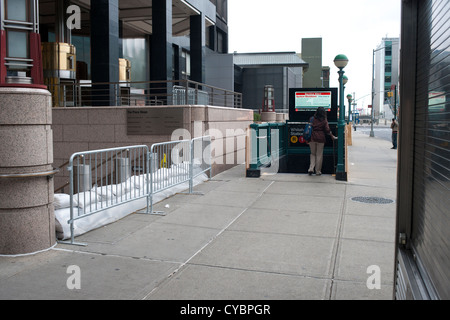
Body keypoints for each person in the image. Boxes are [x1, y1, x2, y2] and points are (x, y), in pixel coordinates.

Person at [308, 107, 337, 176]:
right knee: (319, 155)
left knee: (312, 154)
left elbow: (308, 127)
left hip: (312, 138)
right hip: (321, 138)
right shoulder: (324, 120)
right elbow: (327, 130)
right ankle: (318, 171)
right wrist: (331, 135)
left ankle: (311, 168)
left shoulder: (312, 119)